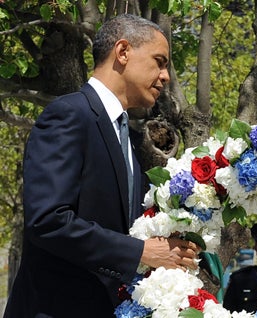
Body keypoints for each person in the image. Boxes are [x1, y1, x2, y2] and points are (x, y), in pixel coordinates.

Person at [4, 14, 201, 318]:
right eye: (159, 62)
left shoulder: (132, 138)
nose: (165, 76)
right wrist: (141, 252)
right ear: (123, 52)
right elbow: (48, 220)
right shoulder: (68, 115)